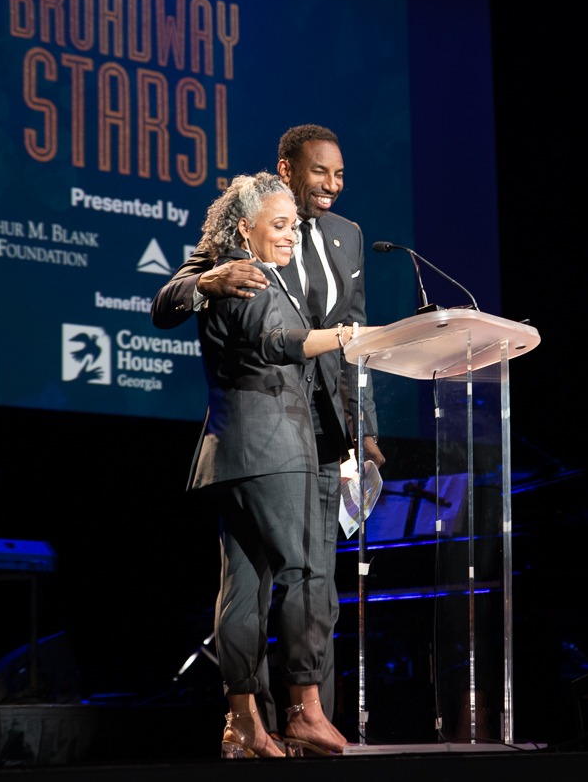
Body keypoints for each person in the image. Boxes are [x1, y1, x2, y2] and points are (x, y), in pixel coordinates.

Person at [153, 124, 384, 730]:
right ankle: (301, 714)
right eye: (319, 173)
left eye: (339, 174)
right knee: (306, 574)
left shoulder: (346, 238)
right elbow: (169, 299)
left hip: (322, 431)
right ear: (287, 171)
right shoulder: (241, 244)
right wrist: (208, 281)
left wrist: (366, 429)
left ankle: (260, 723)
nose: (332, 186)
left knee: (278, 576)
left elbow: (350, 340)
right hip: (270, 426)